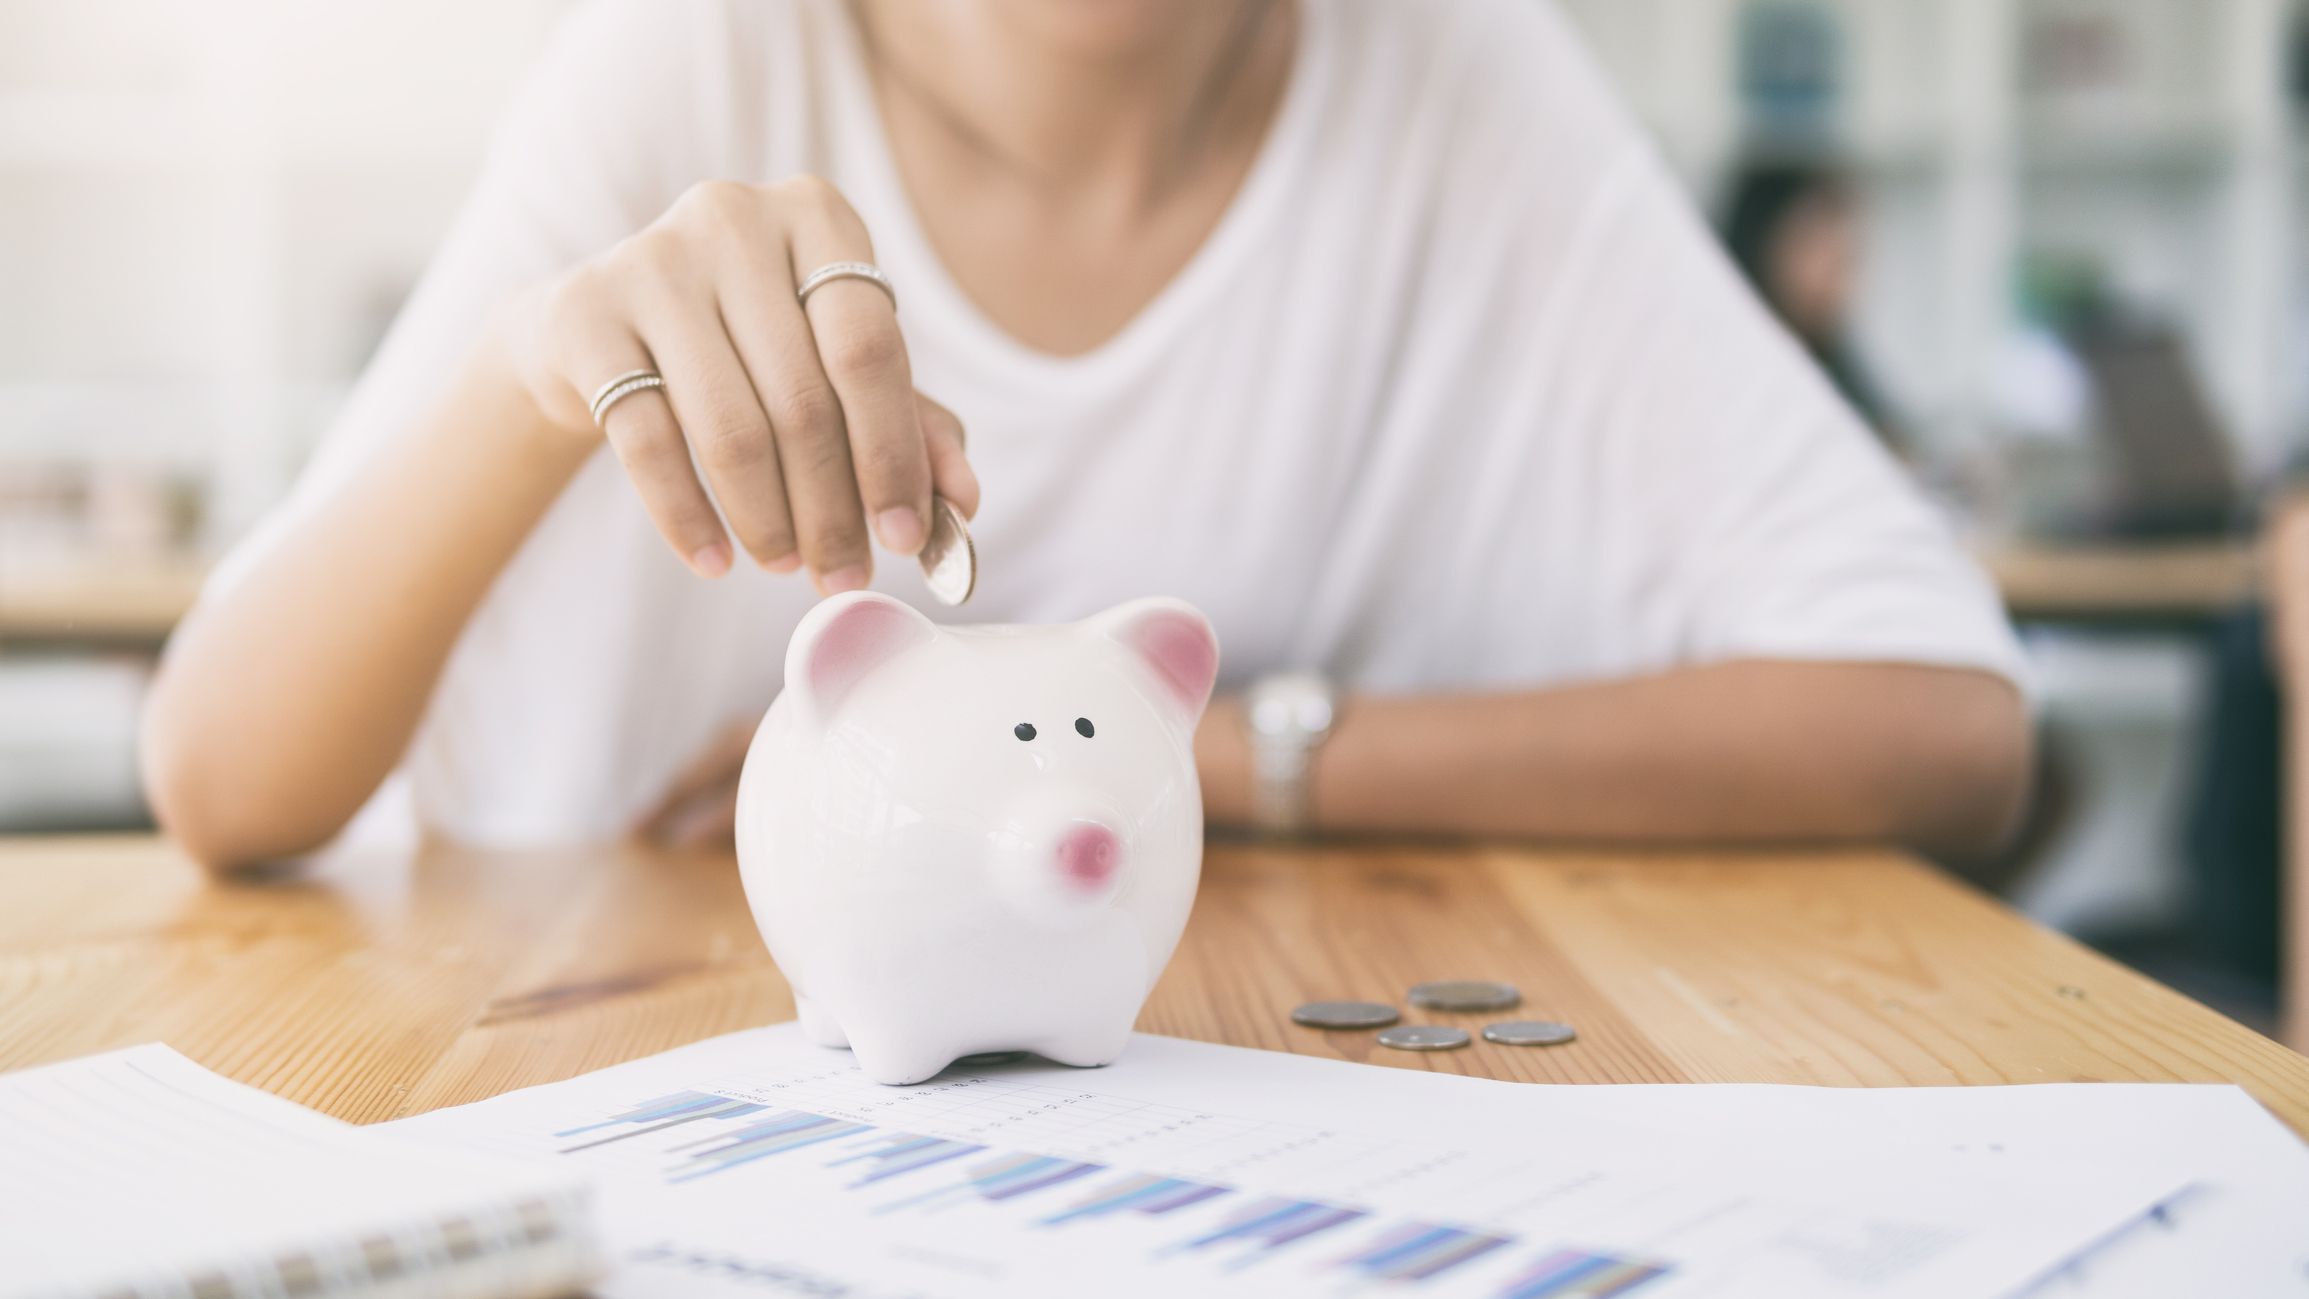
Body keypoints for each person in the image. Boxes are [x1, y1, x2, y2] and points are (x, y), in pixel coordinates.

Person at [142, 0, 2032, 871]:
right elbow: (221, 777)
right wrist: (521, 381)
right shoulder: (695, 58)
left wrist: (1207, 755)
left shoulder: (1452, 70)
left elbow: (1942, 719)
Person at [1720, 159, 1896, 446]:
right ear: (1765, 243)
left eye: (1847, 255)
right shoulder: (1734, 366)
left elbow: (1890, 438)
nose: (1835, 271)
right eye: (1818, 246)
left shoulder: (1838, 361)